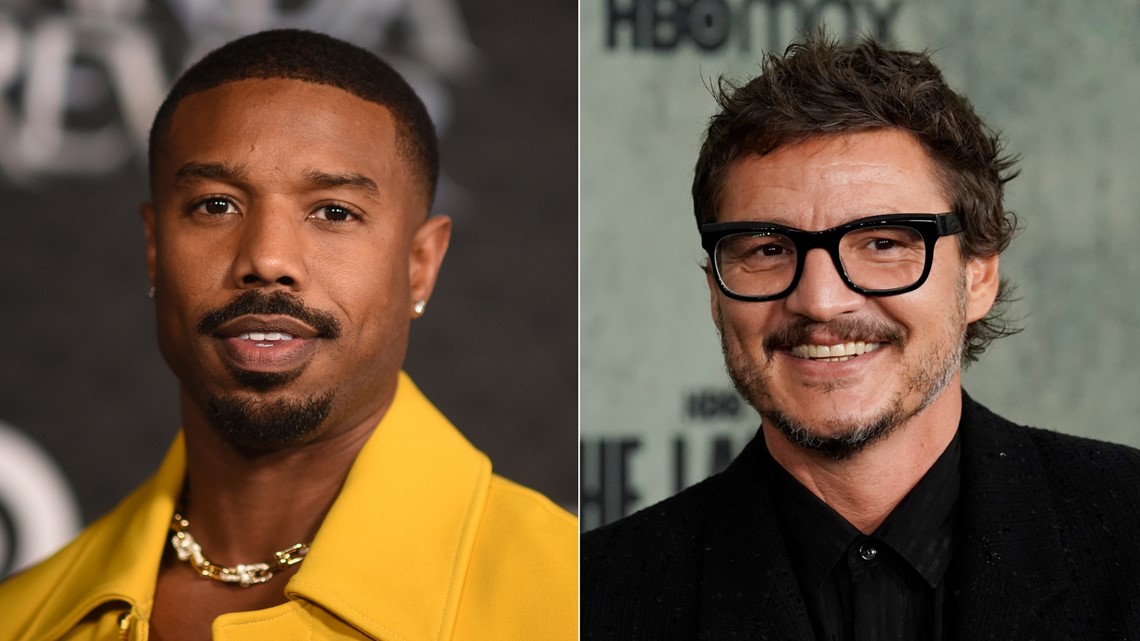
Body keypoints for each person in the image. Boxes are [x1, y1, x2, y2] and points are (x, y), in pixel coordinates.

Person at [0, 29, 576, 640]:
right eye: (216, 205)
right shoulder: (23, 620)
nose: (268, 258)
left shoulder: (575, 597)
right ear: (152, 251)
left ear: (420, 265)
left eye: (334, 211)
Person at [582, 33, 1140, 640]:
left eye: (882, 244)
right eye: (769, 250)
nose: (820, 301)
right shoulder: (598, 596)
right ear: (716, 293)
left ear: (978, 277)